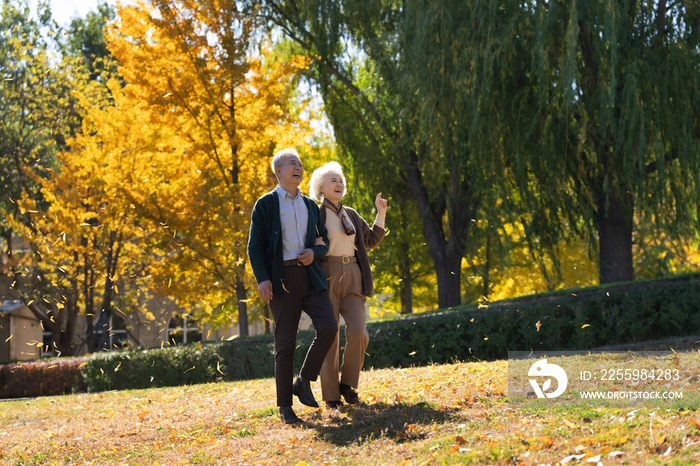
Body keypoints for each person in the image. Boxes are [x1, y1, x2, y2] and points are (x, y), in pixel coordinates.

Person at [247, 148, 338, 424]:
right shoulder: (266, 204)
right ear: (279, 171)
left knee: (329, 327)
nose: (298, 167)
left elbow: (323, 241)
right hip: (281, 280)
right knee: (285, 344)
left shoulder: (310, 205)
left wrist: (314, 252)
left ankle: (303, 380)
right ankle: (285, 407)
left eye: (299, 164)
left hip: (310, 277)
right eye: (291, 164)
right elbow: (255, 247)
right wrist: (263, 278)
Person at [308, 162, 387, 409]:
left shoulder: (350, 213)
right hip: (326, 275)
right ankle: (331, 395)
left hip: (353, 273)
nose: (339, 183)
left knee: (359, 332)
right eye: (333, 179)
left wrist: (380, 213)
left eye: (340, 179)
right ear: (321, 187)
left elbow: (371, 240)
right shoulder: (315, 212)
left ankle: (347, 384)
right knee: (329, 336)